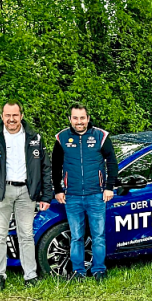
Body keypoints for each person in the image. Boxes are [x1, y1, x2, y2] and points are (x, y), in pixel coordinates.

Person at [0, 101, 53, 292]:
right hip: (1, 193)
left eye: (15, 115)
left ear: (21, 115)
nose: (11, 119)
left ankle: (30, 276)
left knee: (26, 235)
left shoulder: (35, 137)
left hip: (27, 192)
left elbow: (45, 168)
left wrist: (46, 196)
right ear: (2, 116)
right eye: (7, 115)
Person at [52, 103, 118, 281]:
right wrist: (58, 190)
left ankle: (99, 270)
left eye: (82, 118)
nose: (79, 122)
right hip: (72, 196)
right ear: (70, 119)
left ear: (88, 119)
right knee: (76, 237)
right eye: (75, 118)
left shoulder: (101, 136)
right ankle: (78, 272)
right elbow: (56, 166)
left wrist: (109, 187)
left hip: (96, 195)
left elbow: (112, 163)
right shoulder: (61, 138)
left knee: (98, 236)